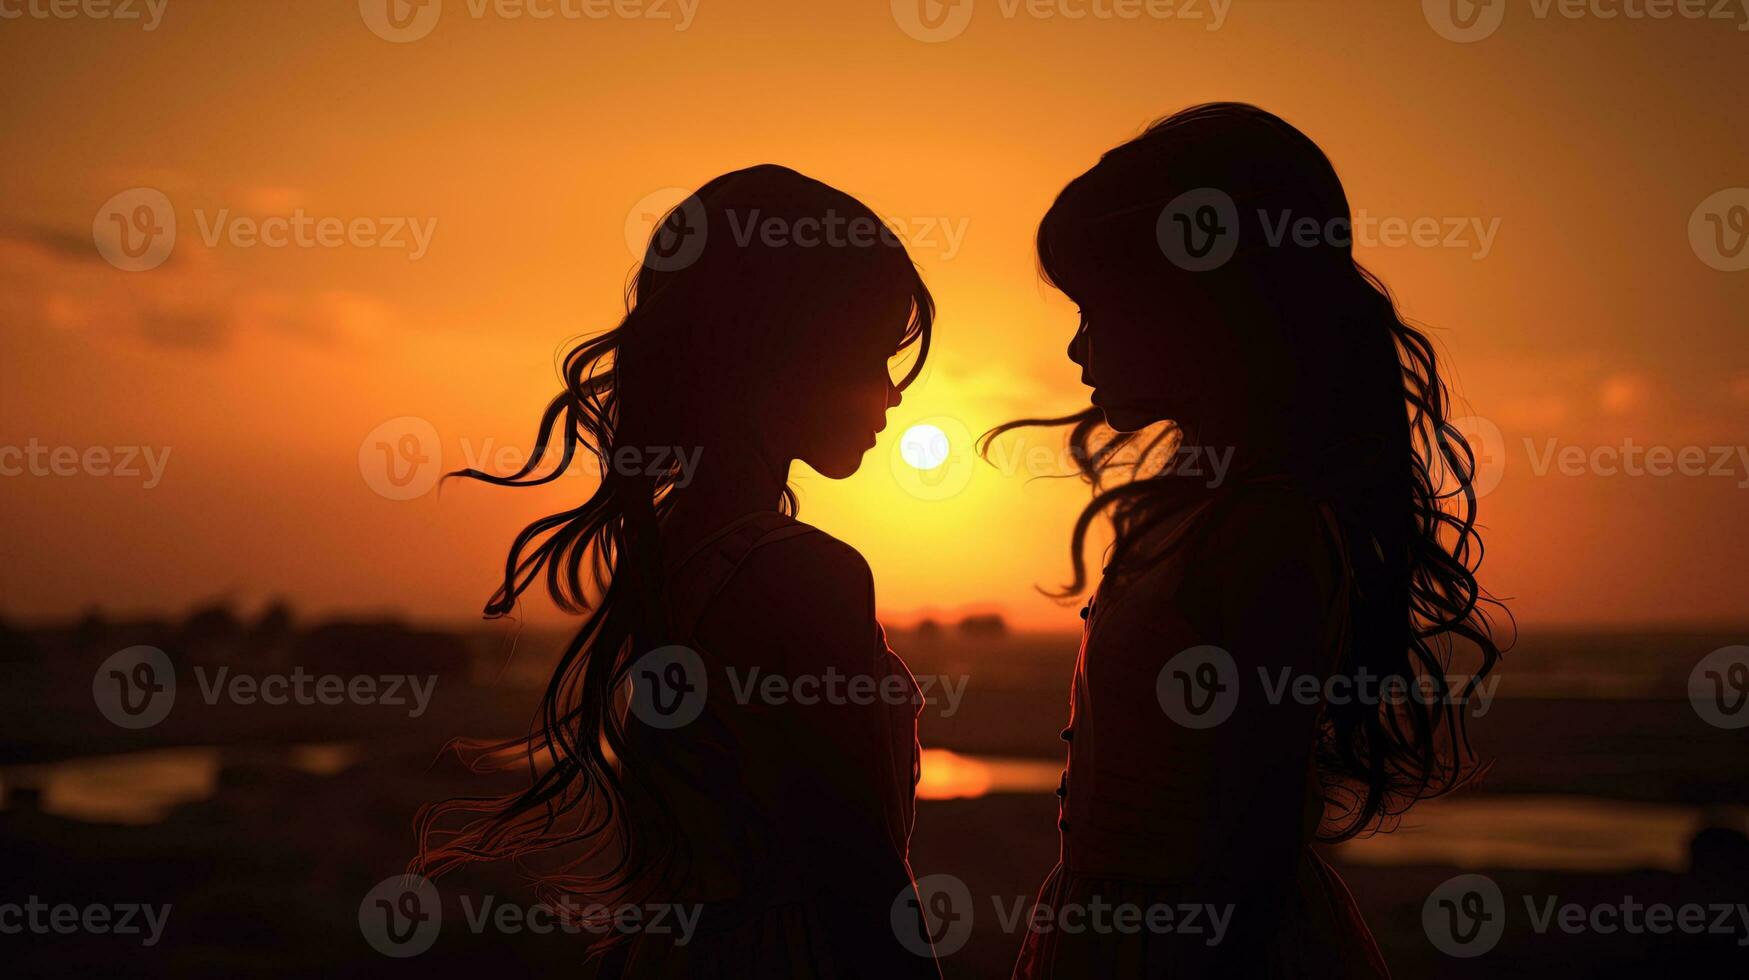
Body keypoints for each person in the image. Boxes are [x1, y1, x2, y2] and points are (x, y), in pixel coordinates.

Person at [987, 103, 1509, 978]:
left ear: (1201, 304)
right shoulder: (1192, 517)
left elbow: (1248, 853)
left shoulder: (1263, 531)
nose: (1077, 347)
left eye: (1098, 308)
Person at [415, 165, 944, 978]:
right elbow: (860, 878)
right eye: (871, 355)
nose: (892, 394)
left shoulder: (672, 548)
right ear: (780, 355)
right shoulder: (804, 576)